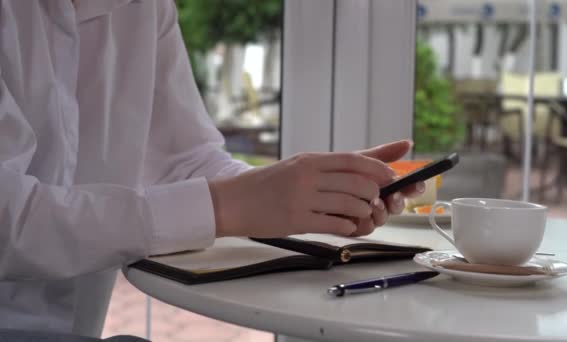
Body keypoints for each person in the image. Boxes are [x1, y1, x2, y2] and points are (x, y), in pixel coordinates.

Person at [0, 0, 424, 337]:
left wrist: (303, 196)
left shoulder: (144, 9)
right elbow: (8, 219)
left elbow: (185, 158)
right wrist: (224, 206)